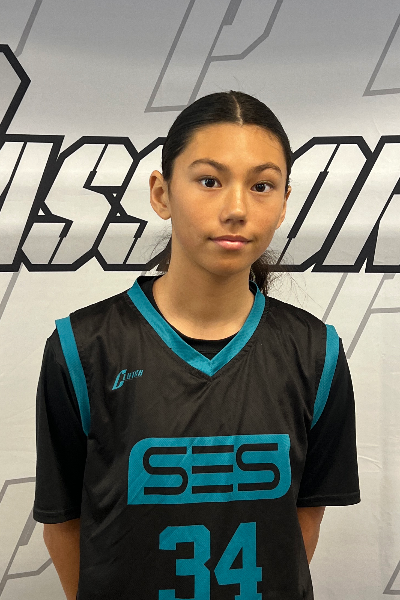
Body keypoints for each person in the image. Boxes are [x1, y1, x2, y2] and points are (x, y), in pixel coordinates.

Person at [33, 90, 360, 600]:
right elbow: (64, 523)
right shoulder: (83, 348)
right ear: (161, 193)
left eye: (262, 186)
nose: (236, 209)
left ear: (283, 204)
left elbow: (303, 519)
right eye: (209, 181)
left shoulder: (317, 353)